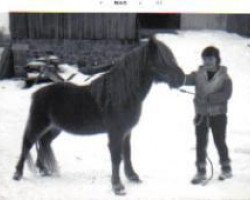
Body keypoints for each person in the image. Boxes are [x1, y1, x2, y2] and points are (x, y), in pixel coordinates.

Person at [185, 46, 233, 184]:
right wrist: (175, 76)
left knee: (219, 141)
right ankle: (201, 171)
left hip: (218, 116)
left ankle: (226, 168)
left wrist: (211, 98)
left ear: (217, 59)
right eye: (205, 59)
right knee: (200, 143)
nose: (207, 62)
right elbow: (185, 79)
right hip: (201, 115)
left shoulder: (224, 77)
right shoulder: (198, 75)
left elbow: (227, 94)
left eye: (210, 59)